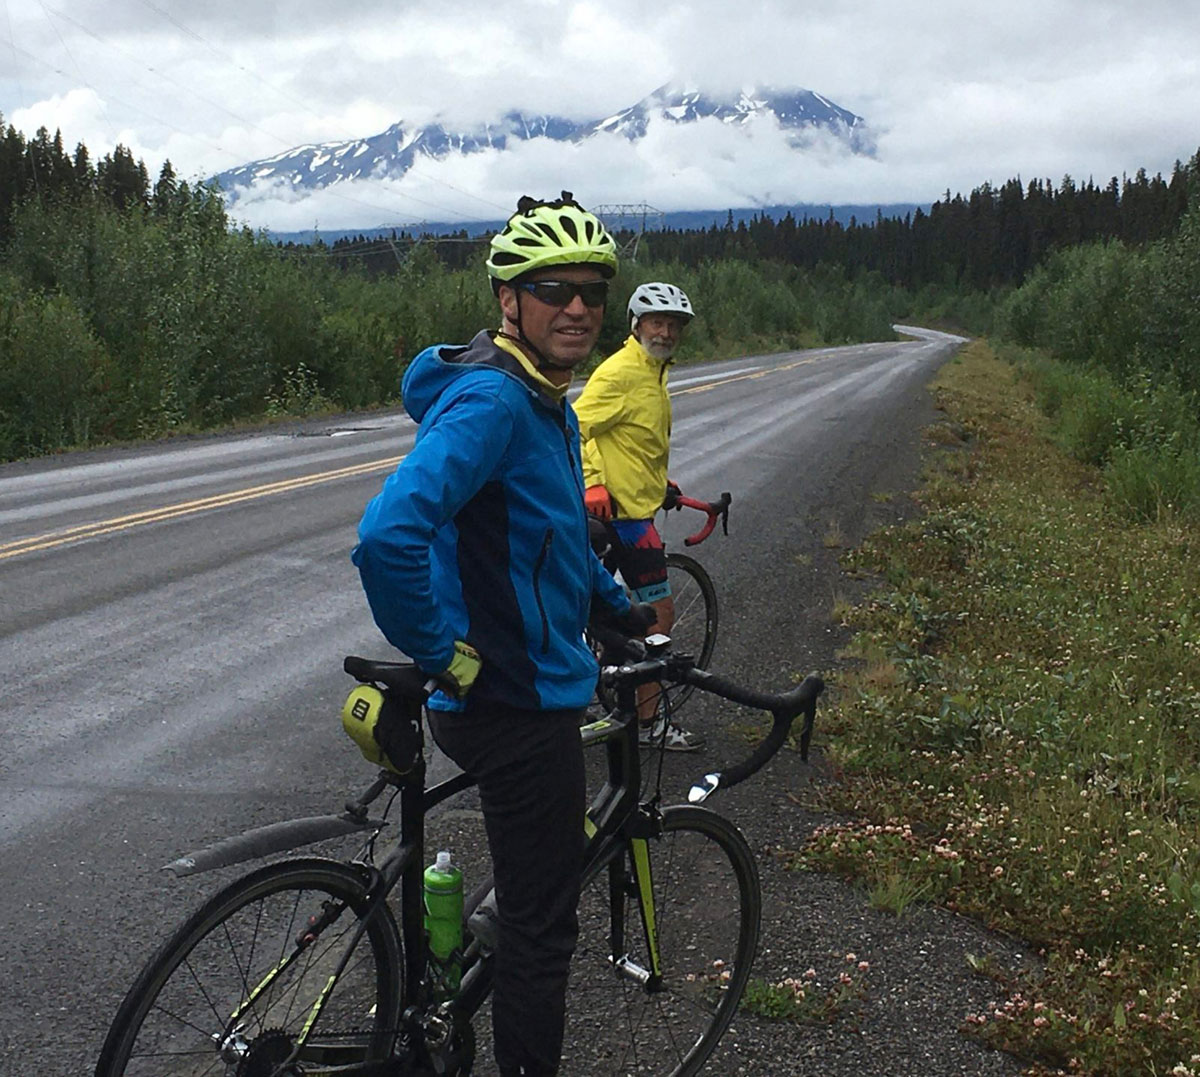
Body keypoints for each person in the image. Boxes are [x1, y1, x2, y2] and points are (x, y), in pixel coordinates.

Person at [351, 191, 650, 1076]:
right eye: (552, 288)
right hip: (513, 703)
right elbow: (385, 536)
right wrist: (446, 651)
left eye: (593, 291)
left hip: (513, 689)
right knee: (540, 934)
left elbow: (547, 537)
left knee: (522, 890)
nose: (578, 308)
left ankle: (437, 990)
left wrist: (615, 604)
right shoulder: (495, 402)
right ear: (507, 300)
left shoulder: (545, 396)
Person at [573, 281, 706, 752]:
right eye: (657, 322)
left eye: (673, 325)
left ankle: (609, 684)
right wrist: (591, 482)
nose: (666, 331)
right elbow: (576, 426)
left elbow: (633, 442)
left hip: (633, 504)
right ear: (636, 325)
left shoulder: (655, 371)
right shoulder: (622, 373)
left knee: (605, 614)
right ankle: (649, 724)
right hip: (622, 518)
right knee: (657, 613)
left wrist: (659, 485)